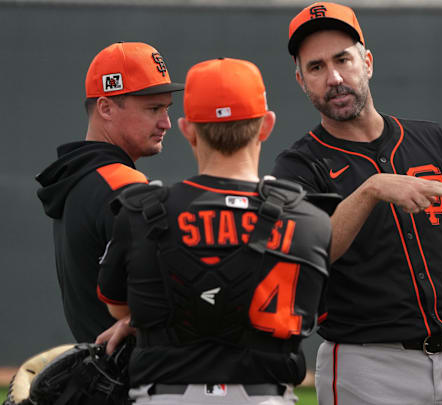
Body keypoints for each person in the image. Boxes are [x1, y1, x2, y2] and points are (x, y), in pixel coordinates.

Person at [272, 3, 442, 404]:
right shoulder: (299, 164)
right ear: (302, 80)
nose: (335, 78)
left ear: (367, 61)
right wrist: (370, 190)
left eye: (343, 59)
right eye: (317, 68)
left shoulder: (433, 141)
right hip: (367, 367)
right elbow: (310, 257)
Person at [96, 57, 333, 405]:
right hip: (264, 396)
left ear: (187, 128)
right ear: (266, 125)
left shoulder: (140, 212)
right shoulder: (310, 220)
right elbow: (307, 314)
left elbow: (119, 310)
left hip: (164, 396)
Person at [36, 42, 184, 344]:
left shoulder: (77, 178)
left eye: (167, 108)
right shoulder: (121, 186)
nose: (166, 122)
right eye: (153, 108)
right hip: (136, 380)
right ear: (105, 108)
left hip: (101, 375)